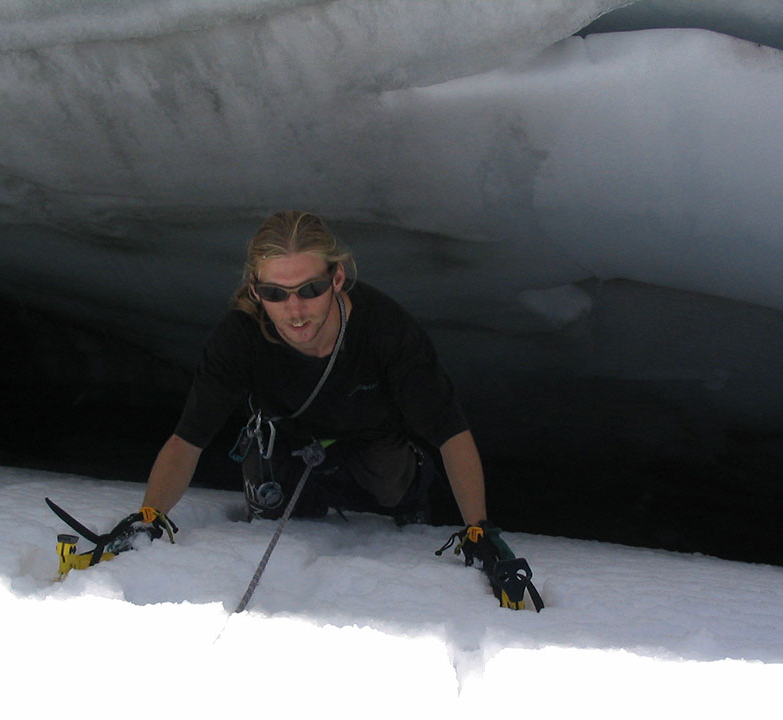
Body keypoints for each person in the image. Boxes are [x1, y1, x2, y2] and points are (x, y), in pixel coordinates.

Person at [127, 211, 538, 609]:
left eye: (310, 289)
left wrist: (479, 531)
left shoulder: (386, 329)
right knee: (273, 503)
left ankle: (408, 493)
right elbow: (188, 439)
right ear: (255, 289)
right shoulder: (238, 338)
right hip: (287, 439)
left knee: (390, 479)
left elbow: (450, 432)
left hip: (371, 437)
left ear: (337, 278)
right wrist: (150, 517)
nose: (294, 309)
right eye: (275, 293)